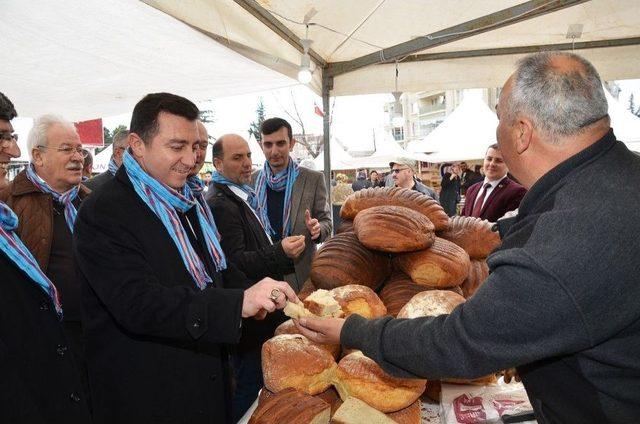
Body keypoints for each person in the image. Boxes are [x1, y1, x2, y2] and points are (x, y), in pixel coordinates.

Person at [295, 51, 640, 423]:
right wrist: (501, 232)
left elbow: (462, 342)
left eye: (499, 119)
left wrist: (354, 330)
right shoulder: (619, 179)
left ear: (522, 133)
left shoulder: (569, 239)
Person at [73, 93, 297, 423]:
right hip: (150, 398)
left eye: (194, 147)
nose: (191, 160)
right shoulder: (104, 211)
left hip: (205, 386)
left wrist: (262, 294)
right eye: (176, 147)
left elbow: (213, 275)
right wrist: (237, 304)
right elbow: (140, 304)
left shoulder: (185, 201)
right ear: (137, 144)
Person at [0, 92, 92, 423]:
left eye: (79, 149)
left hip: (92, 334)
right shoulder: (13, 203)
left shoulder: (90, 203)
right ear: (37, 157)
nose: (78, 157)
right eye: (66, 149)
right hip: (46, 343)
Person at [206, 133, 303, 420]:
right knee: (250, 389)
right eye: (238, 158)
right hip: (251, 320)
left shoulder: (238, 195)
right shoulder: (220, 203)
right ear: (218, 164)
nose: (248, 163)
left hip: (259, 314)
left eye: (248, 155)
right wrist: (279, 252)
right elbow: (235, 261)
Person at [254, 117, 332, 292]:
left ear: (292, 143)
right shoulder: (251, 181)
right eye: (268, 144)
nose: (274, 151)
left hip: (299, 275)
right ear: (261, 145)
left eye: (281, 143)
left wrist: (318, 229)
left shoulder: (313, 179)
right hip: (263, 275)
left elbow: (327, 221)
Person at [461, 143, 526, 222]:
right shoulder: (471, 190)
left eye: (498, 161)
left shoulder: (517, 192)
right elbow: (462, 220)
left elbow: (509, 227)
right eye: (489, 159)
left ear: (508, 165)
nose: (492, 164)